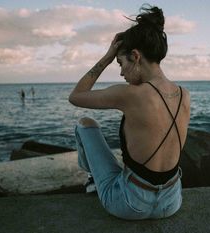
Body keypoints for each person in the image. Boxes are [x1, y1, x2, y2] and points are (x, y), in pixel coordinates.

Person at [69, 5, 190, 220]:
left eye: (120, 62)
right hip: (172, 203)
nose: (121, 71)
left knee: (85, 123)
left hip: (130, 204)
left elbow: (76, 96)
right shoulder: (184, 94)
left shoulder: (130, 94)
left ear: (135, 56)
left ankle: (92, 181)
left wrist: (107, 56)